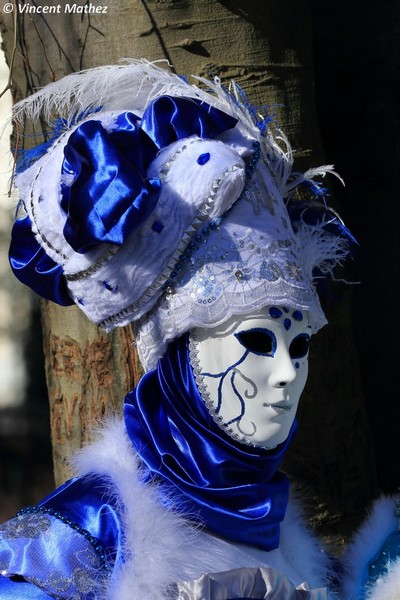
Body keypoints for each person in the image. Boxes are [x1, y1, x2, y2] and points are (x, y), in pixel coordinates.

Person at [1, 60, 359, 599]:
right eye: (256, 340)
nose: (286, 373)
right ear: (179, 356)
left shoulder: (306, 555)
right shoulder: (75, 543)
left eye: (300, 345)